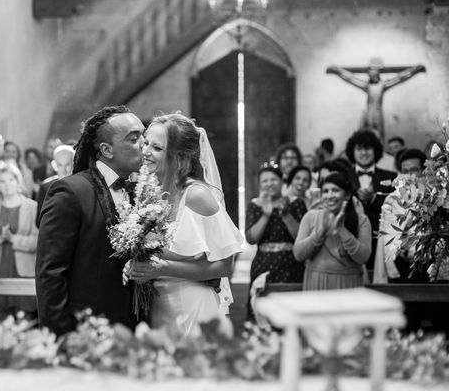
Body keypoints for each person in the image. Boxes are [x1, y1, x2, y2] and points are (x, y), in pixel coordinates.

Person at [126, 113, 244, 337]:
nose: (145, 152)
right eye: (146, 142)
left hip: (193, 306)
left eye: (157, 148)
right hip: (160, 306)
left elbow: (226, 266)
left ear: (179, 157)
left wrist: (163, 268)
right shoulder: (149, 191)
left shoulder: (197, 196)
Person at [35, 106, 145, 335]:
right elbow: (51, 274)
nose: (143, 144)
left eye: (143, 136)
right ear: (106, 149)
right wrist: (60, 336)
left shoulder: (139, 193)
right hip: (87, 329)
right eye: (134, 138)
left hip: (132, 328)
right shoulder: (70, 192)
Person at [245, 163, 307, 318]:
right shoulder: (255, 205)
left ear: (282, 182)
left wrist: (284, 213)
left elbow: (301, 236)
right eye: (264, 181)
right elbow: (251, 239)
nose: (269, 184)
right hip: (263, 265)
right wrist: (266, 214)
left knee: (290, 311)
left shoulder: (295, 203)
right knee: (263, 311)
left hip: (291, 264)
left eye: (273, 180)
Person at [293, 172, 371, 290]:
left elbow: (363, 257)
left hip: (348, 284)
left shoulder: (361, 220)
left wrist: (341, 229)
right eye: (325, 191)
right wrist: (319, 233)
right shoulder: (311, 217)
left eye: (335, 190)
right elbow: (298, 254)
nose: (330, 196)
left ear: (347, 195)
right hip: (316, 281)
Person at [0, 162, 39, 319]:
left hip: (23, 272)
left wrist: (13, 238)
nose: (7, 185)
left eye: (10, 180)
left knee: (25, 322)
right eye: (2, 181)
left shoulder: (32, 207)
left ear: (18, 181)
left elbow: (37, 241)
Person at [327, 58, 425, 138]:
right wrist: (338, 70)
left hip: (378, 114)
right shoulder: (367, 85)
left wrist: (414, 70)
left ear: (378, 72)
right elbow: (350, 78)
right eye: (370, 71)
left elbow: (400, 78)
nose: (370, 73)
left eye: (373, 70)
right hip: (368, 113)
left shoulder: (382, 85)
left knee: (378, 135)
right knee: (364, 135)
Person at [344, 129, 397, 272]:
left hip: (382, 242)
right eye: (359, 149)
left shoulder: (392, 177)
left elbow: (397, 207)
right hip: (350, 240)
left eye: (367, 148)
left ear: (376, 150)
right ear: (352, 151)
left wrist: (374, 198)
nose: (363, 153)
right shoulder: (343, 176)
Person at [376, 148, 428, 283]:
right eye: (405, 172)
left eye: (414, 170)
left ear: (425, 171)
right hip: (401, 265)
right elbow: (385, 240)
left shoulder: (436, 196)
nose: (409, 176)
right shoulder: (392, 200)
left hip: (429, 266)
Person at [35, 144, 76, 227]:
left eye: (68, 164)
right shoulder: (45, 187)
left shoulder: (84, 185)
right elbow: (39, 221)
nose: (64, 170)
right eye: (60, 165)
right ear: (54, 165)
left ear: (74, 163)